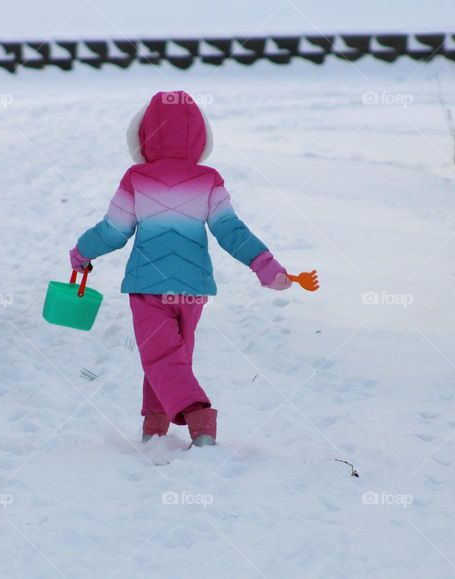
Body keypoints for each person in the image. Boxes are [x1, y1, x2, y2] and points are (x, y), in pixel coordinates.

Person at [70, 90, 291, 447]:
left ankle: (200, 418)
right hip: (193, 288)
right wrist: (266, 267)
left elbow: (114, 230)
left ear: (142, 135)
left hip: (148, 286)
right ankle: (154, 427)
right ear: (201, 137)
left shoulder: (137, 178)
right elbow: (230, 230)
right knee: (170, 358)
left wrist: (81, 252)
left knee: (160, 357)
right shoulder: (207, 179)